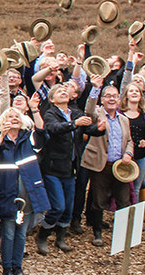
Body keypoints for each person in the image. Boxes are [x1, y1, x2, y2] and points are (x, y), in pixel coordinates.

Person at [0, 107, 50, 275]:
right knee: (8, 233)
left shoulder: (28, 138)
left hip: (28, 194)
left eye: (16, 116)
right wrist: (1, 137)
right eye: (9, 117)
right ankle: (7, 269)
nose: (13, 119)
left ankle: (18, 267)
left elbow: (43, 134)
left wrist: (36, 110)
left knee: (21, 233)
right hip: (6, 194)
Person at [36, 81, 100, 255]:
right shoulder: (50, 113)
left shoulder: (76, 112)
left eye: (65, 90)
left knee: (69, 206)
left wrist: (99, 129)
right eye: (59, 91)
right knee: (58, 205)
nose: (63, 92)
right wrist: (74, 124)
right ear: (52, 99)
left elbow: (89, 128)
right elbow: (54, 129)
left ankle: (60, 237)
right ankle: (43, 235)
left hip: (71, 167)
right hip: (53, 167)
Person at [79, 85, 129, 247]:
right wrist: (95, 89)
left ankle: (121, 234)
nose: (112, 99)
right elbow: (89, 109)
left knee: (123, 200)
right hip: (101, 164)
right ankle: (97, 233)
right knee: (99, 200)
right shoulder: (97, 114)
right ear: (102, 100)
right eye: (108, 96)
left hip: (120, 166)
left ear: (120, 100)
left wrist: (129, 153)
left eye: (115, 96)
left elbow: (128, 141)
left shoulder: (124, 119)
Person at [121, 84, 145, 221]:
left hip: (141, 156)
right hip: (124, 156)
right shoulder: (120, 113)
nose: (134, 92)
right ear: (126, 95)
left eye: (137, 91)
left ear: (141, 96)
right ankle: (122, 216)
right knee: (123, 188)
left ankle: (133, 219)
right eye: (131, 90)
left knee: (136, 187)